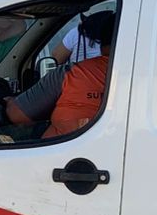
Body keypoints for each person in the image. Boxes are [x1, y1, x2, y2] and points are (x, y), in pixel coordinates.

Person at [6, 11, 115, 139]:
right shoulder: (140, 78)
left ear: (100, 40)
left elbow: (17, 115)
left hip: (58, 155)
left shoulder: (72, 73)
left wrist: (10, 101)